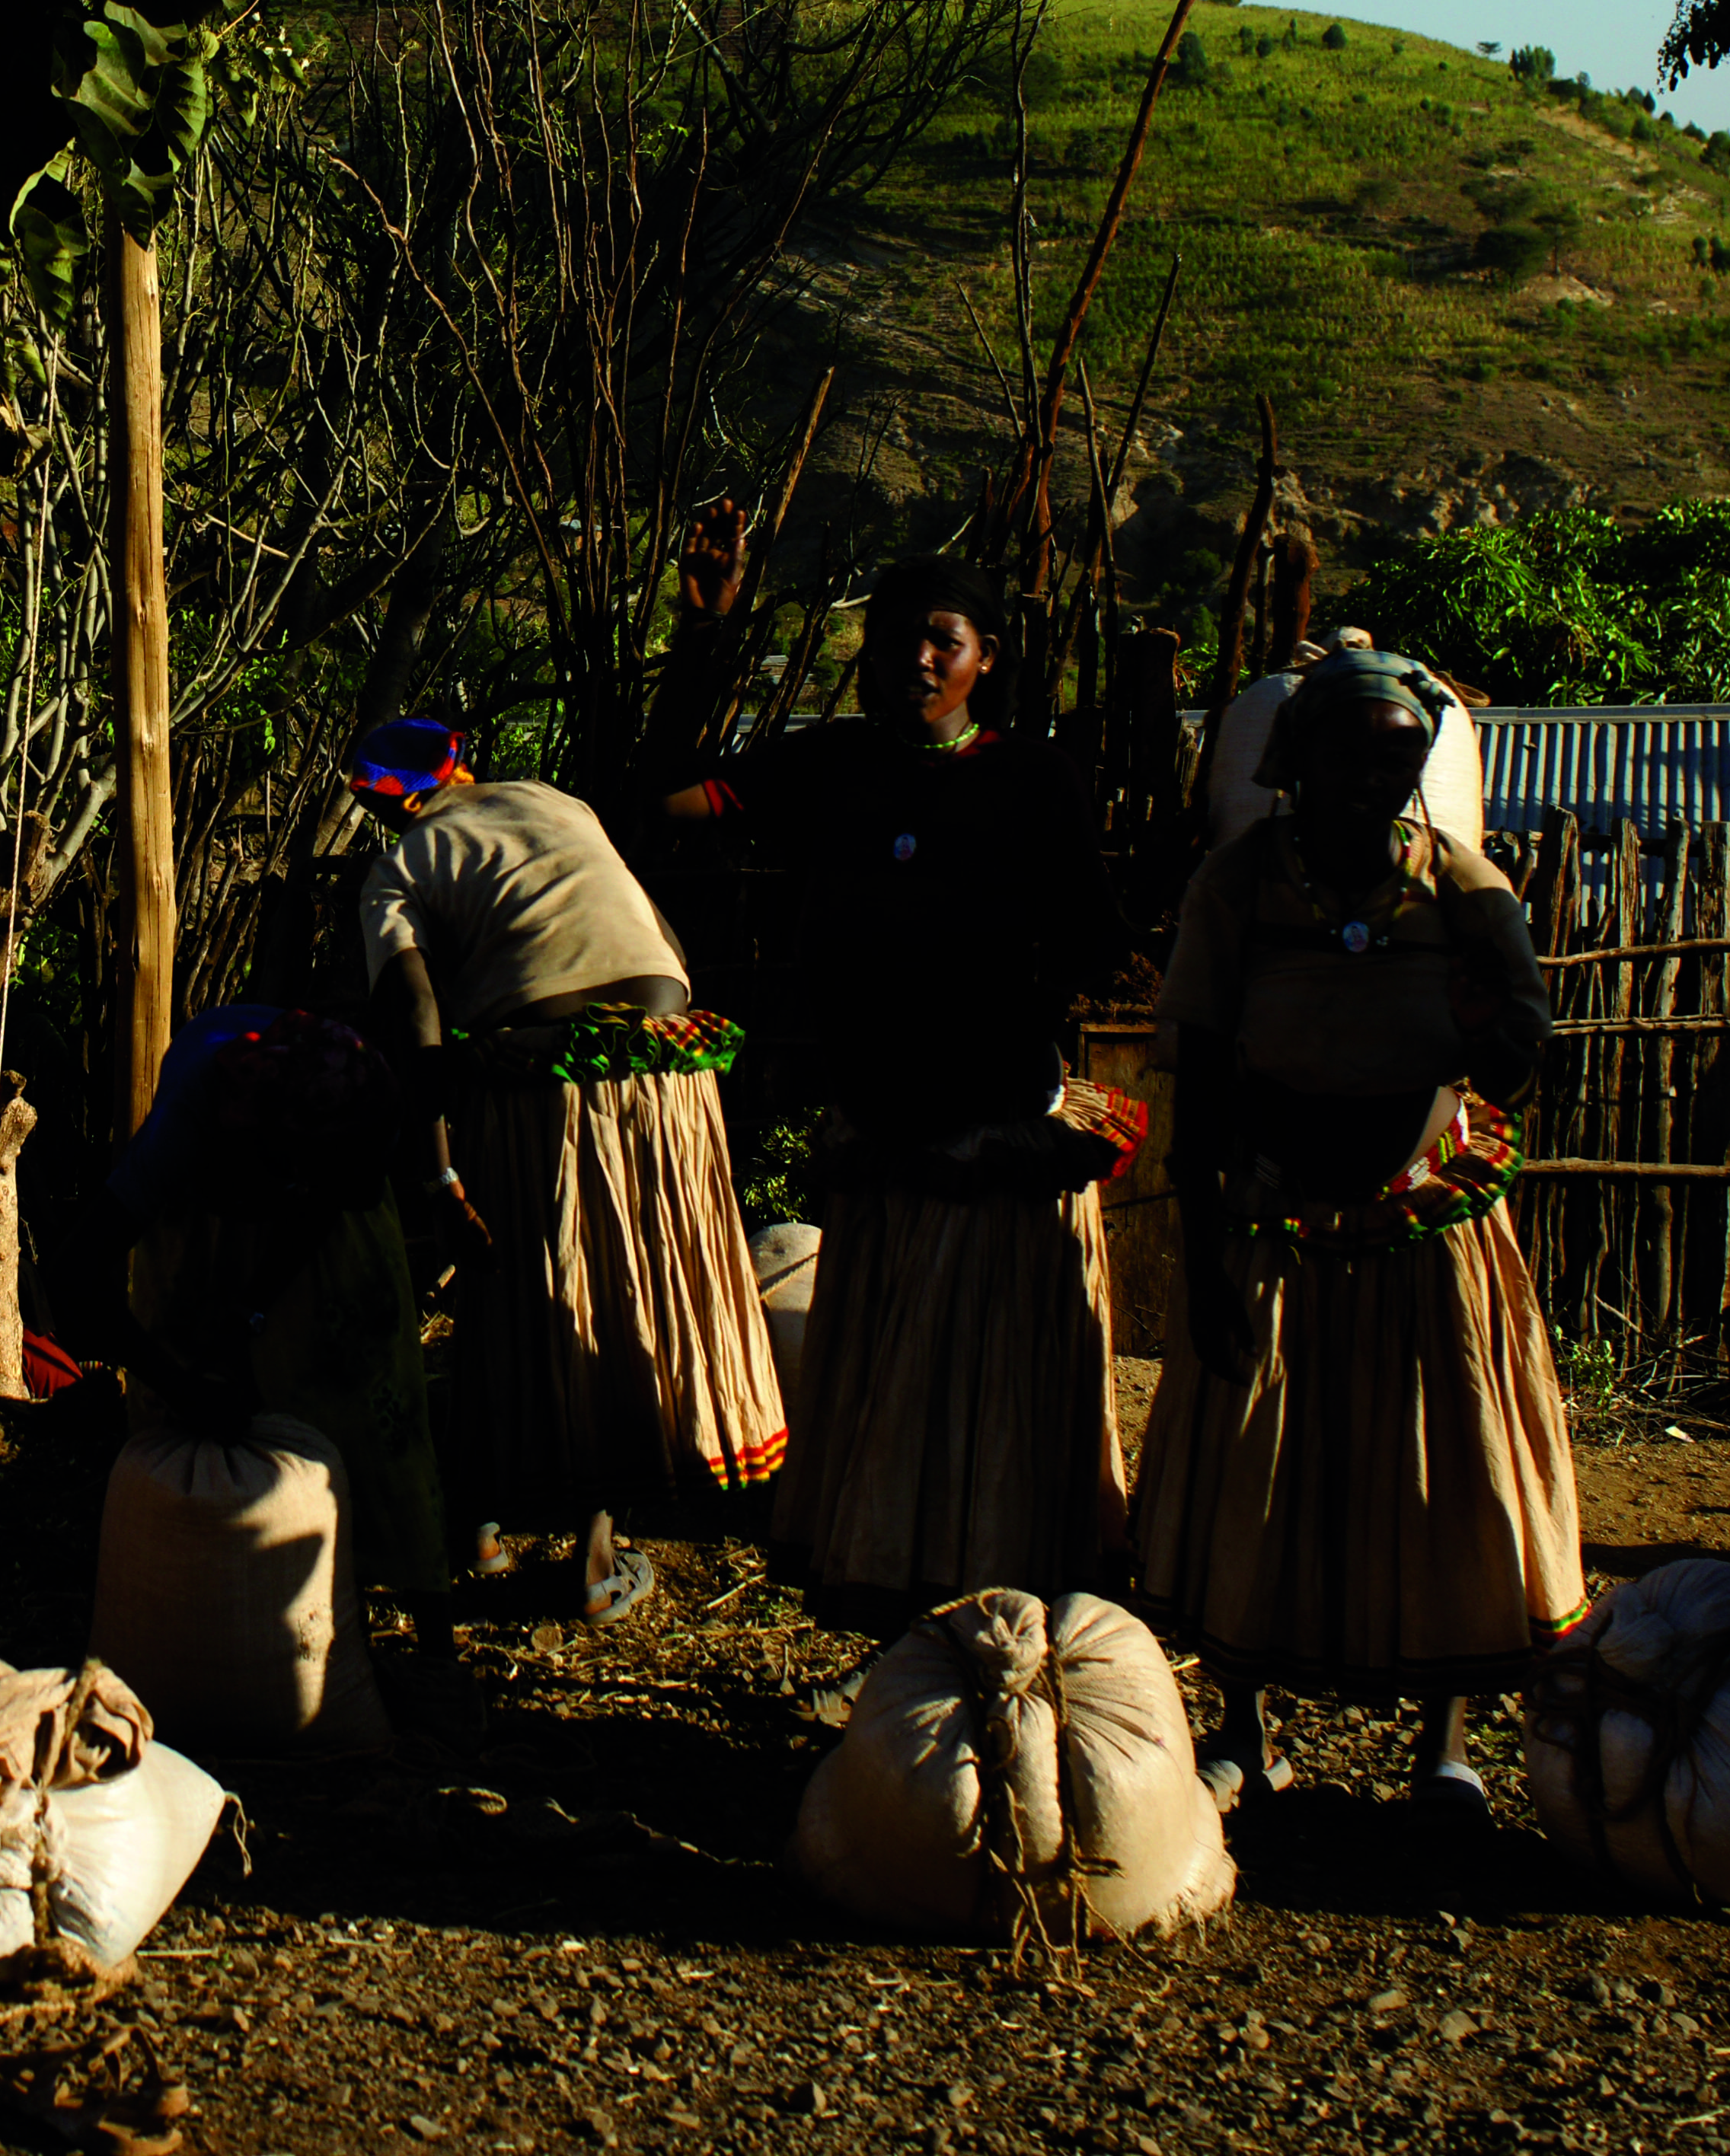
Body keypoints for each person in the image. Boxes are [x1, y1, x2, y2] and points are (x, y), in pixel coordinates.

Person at [1135, 646, 1577, 1816]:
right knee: (1256, 1474)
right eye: (1348, 749)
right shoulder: (1237, 890)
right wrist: (1204, 1246)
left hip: (1423, 1227)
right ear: (1295, 760)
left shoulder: (1466, 891)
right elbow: (1206, 1075)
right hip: (1274, 1217)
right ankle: (1246, 1728)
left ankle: (1447, 1747)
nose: (1372, 774)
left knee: (1442, 1477)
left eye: (1398, 754)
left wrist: (1493, 1029)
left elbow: (1518, 1067)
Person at [654, 552, 1137, 1619]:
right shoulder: (831, 768)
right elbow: (666, 801)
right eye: (896, 640)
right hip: (885, 1132)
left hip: (997, 1140)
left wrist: (1000, 1006)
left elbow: (1099, 942)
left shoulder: (1036, 780)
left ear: (985, 660)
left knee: (990, 1414)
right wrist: (706, 636)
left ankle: (1006, 1645)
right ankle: (906, 1657)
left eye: (944, 641)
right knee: (903, 1412)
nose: (917, 660)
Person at [349, 713, 787, 1625]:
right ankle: (575, 1529)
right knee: (634, 1291)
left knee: (540, 1294)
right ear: (461, 763)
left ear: (375, 802)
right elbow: (654, 929)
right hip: (667, 1062)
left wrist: (439, 1174)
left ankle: (518, 1531)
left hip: (540, 1073)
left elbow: (415, 1015)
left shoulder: (398, 870)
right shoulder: (558, 802)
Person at [112, 1001, 452, 1633]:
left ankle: (430, 1637)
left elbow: (328, 1204)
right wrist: (182, 1386)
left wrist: (253, 1310)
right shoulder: (184, 1138)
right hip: (228, 1197)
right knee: (200, 1439)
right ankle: (218, 1618)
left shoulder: (348, 1105)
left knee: (374, 1420)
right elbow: (79, 1279)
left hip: (306, 1180)